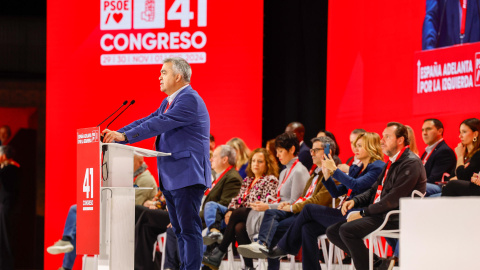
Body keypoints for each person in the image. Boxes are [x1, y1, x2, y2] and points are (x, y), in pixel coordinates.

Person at [102, 57, 211, 270]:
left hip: (187, 174)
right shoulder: (170, 101)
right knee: (179, 230)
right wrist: (120, 133)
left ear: (178, 76)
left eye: (163, 72)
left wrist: (124, 137)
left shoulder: (189, 99)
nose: (159, 76)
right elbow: (148, 119)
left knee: (188, 230)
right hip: (173, 176)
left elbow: (159, 123)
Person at [261, 132, 385, 270]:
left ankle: (284, 247)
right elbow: (336, 192)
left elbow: (356, 185)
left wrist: (334, 170)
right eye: (355, 145)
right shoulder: (357, 167)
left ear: (371, 147)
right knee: (307, 228)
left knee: (308, 209)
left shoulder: (378, 167)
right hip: (344, 211)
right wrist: (327, 176)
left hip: (359, 214)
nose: (355, 149)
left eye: (360, 146)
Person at [325, 122, 426, 270]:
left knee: (347, 230)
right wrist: (355, 201)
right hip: (381, 212)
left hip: (394, 215)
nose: (382, 141)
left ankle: (376, 265)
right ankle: (379, 263)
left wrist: (362, 212)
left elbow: (392, 199)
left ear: (400, 140)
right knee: (332, 231)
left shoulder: (410, 162)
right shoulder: (391, 162)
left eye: (387, 137)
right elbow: (373, 191)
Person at [237, 136, 340, 270]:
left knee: (273, 224)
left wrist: (291, 207)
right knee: (276, 220)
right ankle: (266, 246)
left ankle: (273, 247)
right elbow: (304, 197)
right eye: (311, 150)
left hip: (317, 215)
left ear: (328, 152)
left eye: (316, 150)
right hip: (303, 214)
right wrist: (287, 206)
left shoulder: (329, 174)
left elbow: (318, 201)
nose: (312, 153)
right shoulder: (314, 174)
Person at [47, 155, 158, 270]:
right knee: (78, 225)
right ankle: (66, 251)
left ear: (140, 162)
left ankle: (66, 245)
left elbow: (132, 204)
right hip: (117, 216)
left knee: (75, 210)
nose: (127, 165)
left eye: (131, 162)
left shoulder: (145, 179)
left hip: (125, 221)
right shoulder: (134, 177)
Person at [162, 145, 243, 270]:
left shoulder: (232, 178)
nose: (211, 159)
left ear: (224, 159)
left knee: (181, 227)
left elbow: (225, 205)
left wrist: (188, 216)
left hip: (216, 222)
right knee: (173, 230)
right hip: (203, 218)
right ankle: (171, 267)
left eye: (214, 156)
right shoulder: (219, 176)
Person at [202, 148, 279, 270]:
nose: (255, 164)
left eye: (260, 161)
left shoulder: (270, 180)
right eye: (253, 161)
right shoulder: (248, 180)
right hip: (242, 216)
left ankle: (219, 252)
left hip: (259, 216)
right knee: (238, 226)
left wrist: (234, 211)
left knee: (238, 214)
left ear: (267, 164)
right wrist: (231, 210)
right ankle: (248, 267)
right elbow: (236, 200)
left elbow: (265, 202)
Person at [442, 118, 480, 196]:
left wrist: (459, 157)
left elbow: (462, 177)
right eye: (460, 132)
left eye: (464, 132)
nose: (460, 136)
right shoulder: (464, 154)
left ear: (475, 134)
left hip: (473, 192)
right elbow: (452, 176)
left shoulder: (478, 154)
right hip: (458, 190)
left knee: (451, 186)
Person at [420, 119, 456, 197]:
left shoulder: (444, 151)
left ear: (440, 131)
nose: (424, 133)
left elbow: (435, 178)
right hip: (428, 186)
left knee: (413, 187)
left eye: (428, 129)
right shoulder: (427, 151)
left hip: (438, 187)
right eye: (422, 130)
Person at [0, 145, 19, 270]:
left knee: (5, 237)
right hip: (4, 205)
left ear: (4, 156)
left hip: (6, 206)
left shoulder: (12, 168)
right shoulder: (9, 167)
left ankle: (6, 265)